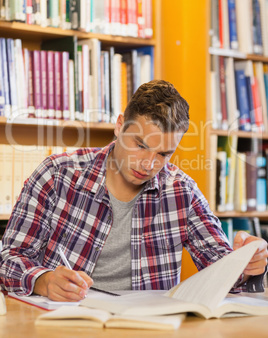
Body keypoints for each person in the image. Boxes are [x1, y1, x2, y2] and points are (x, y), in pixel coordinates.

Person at [0, 80, 267, 302]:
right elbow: (8, 260)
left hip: (148, 329)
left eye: (163, 154)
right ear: (119, 126)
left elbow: (223, 272)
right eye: (140, 145)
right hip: (68, 325)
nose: (148, 164)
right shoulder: (57, 175)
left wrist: (245, 263)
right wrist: (44, 281)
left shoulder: (181, 191)